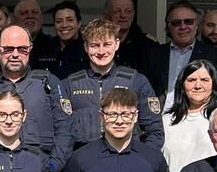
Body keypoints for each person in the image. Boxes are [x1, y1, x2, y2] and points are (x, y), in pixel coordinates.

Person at [0, 24, 71, 167]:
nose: (15, 54)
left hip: (40, 170)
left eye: (22, 49)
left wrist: (53, 167)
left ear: (30, 50)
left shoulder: (48, 83)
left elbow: (65, 129)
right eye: (8, 49)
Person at [61, 19, 163, 150]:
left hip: (126, 160)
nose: (101, 51)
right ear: (86, 47)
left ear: (116, 44)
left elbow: (155, 131)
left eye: (107, 44)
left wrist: (141, 160)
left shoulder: (136, 81)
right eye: (95, 45)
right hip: (83, 162)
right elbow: (61, 133)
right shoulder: (70, 84)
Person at [141, 0, 217, 109]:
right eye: (176, 22)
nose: (183, 27)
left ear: (197, 25)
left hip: (197, 120)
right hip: (158, 121)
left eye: (188, 21)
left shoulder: (215, 56)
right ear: (168, 27)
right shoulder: (152, 55)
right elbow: (142, 92)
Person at [102, 0, 157, 71]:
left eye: (128, 11)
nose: (123, 15)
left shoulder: (147, 45)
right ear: (106, 17)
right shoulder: (95, 44)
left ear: (133, 15)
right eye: (117, 11)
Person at [45, 0, 89, 81]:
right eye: (59, 21)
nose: (64, 25)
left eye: (70, 20)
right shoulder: (44, 49)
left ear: (78, 23)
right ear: (54, 25)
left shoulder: (88, 50)